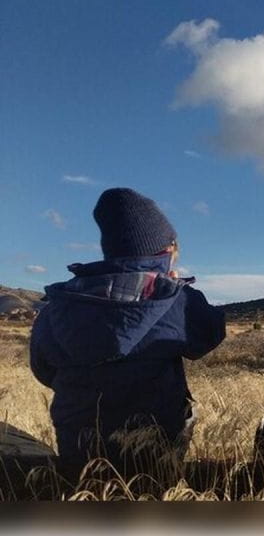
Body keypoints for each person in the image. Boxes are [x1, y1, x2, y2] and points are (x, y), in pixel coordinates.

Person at [29, 188, 225, 482]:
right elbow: (210, 334)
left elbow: (43, 369)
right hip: (156, 448)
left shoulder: (59, 305)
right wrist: (177, 289)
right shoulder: (173, 298)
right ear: (166, 252)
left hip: (78, 447)